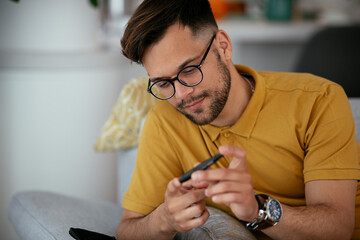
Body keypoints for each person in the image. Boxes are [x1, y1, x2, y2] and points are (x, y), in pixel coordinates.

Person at [116, 0, 360, 239]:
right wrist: (164, 220)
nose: (181, 94)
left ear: (223, 46)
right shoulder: (165, 121)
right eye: (162, 83)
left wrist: (257, 209)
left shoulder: (318, 100)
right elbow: (127, 231)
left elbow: (337, 227)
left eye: (189, 70)